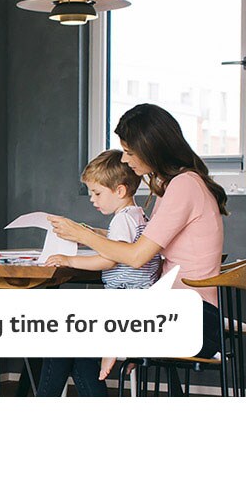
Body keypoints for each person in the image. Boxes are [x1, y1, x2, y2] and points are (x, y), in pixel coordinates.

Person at [48, 104, 227, 391]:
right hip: (185, 313)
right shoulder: (182, 184)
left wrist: (79, 233)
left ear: (151, 148)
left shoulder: (183, 187)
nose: (125, 159)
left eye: (130, 152)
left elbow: (136, 256)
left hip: (192, 320)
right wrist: (88, 233)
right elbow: (139, 245)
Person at [38, 149, 161, 396]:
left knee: (60, 337)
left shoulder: (121, 220)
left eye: (97, 193)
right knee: (81, 358)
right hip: (141, 300)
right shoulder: (136, 215)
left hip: (125, 303)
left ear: (120, 191)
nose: (93, 199)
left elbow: (109, 260)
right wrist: (93, 235)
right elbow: (117, 245)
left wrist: (68, 260)